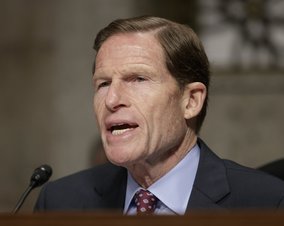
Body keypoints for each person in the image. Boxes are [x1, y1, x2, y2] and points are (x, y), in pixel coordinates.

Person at [35, 16, 284, 214]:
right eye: (103, 84)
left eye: (138, 79)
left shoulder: (267, 202)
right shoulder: (60, 202)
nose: (112, 100)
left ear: (191, 101)